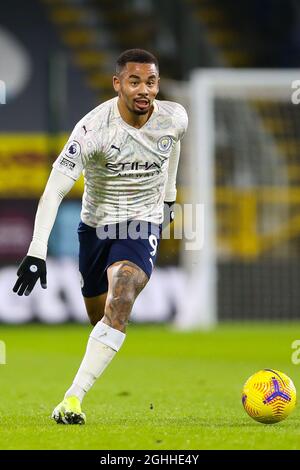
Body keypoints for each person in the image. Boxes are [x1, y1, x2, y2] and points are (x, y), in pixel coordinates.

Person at [13, 49, 188, 424]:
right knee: (100, 315)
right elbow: (54, 191)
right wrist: (35, 252)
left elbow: (172, 152)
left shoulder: (174, 118)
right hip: (95, 228)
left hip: (142, 222)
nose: (144, 90)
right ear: (117, 84)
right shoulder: (93, 130)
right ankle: (101, 343)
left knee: (122, 296)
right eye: (135, 81)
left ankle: (72, 399)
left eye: (151, 82)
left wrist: (169, 199)